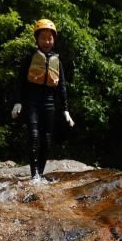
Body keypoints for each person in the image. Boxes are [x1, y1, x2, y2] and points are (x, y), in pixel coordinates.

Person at [11, 19, 75, 182]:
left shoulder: (57, 61)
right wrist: (18, 102)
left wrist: (66, 110)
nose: (47, 41)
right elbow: (19, 81)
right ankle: (34, 176)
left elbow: (62, 87)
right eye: (43, 38)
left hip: (49, 103)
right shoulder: (30, 58)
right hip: (31, 102)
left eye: (50, 38)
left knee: (46, 139)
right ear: (37, 39)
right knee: (33, 136)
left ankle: (40, 173)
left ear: (54, 40)